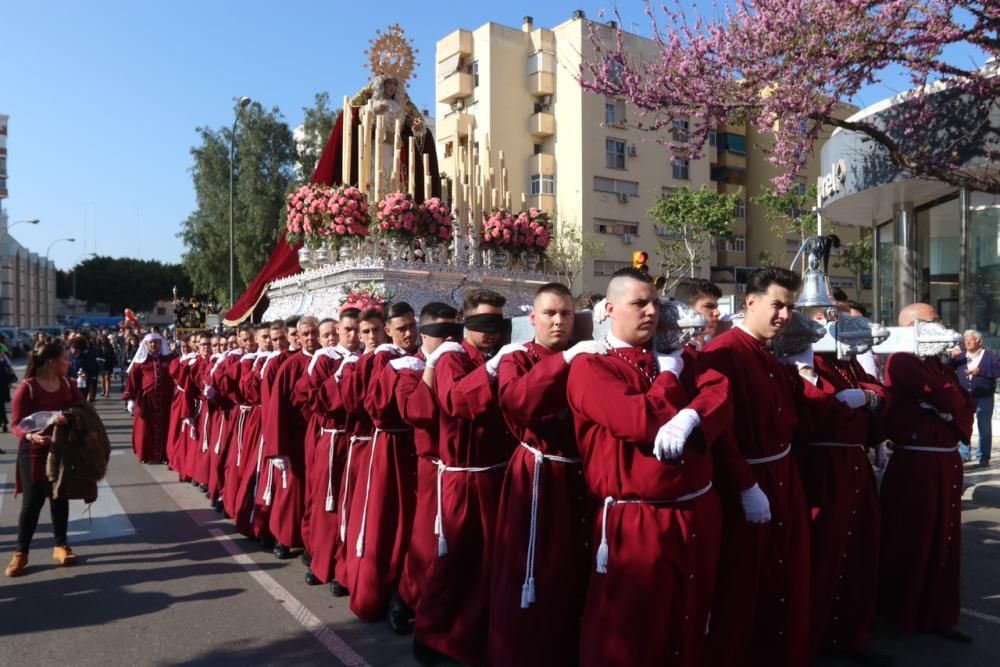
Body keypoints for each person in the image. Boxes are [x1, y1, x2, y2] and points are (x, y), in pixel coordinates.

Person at [567, 270, 729, 667]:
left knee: (689, 614)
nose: (652, 311)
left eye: (655, 302)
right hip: (637, 517)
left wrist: (693, 417)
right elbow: (638, 421)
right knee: (635, 626)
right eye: (639, 303)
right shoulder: (591, 366)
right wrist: (671, 380)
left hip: (694, 509)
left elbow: (720, 394)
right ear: (609, 309)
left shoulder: (677, 354)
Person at [700, 267, 816, 667]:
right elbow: (721, 431)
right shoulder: (723, 352)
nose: (784, 315)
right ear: (750, 302)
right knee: (745, 584)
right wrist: (747, 485)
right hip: (748, 483)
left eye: (790, 307)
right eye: (777, 305)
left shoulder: (766, 352)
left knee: (782, 576)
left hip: (782, 476)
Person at [488, 283, 600, 667]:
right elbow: (518, 402)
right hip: (539, 476)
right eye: (550, 313)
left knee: (576, 569)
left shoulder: (588, 354)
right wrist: (565, 361)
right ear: (532, 318)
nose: (558, 321)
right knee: (535, 567)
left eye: (566, 314)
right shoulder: (516, 357)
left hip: (581, 477)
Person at [413, 289, 520, 666]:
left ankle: (474, 635)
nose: (491, 333)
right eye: (482, 324)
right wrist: (491, 371)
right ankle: (429, 632)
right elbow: (457, 401)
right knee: (454, 559)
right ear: (465, 322)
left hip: (497, 476)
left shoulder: (503, 356)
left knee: (490, 562)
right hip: (463, 476)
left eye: (498, 324)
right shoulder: (451, 358)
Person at [879, 303, 975, 642]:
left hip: (944, 460)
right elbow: (951, 401)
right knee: (914, 539)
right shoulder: (903, 359)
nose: (941, 327)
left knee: (944, 540)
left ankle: (937, 614)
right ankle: (903, 614)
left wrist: (949, 407)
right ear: (912, 327)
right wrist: (948, 407)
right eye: (933, 322)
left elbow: (964, 401)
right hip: (917, 463)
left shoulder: (937, 363)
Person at [393, 302, 461, 632]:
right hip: (432, 466)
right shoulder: (410, 366)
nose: (449, 340)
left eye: (454, 332)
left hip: (463, 469)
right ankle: (408, 597)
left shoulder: (464, 361)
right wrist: (432, 366)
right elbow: (416, 411)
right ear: (424, 335)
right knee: (425, 539)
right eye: (440, 333)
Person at [5, 342, 85, 577]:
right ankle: (21, 552)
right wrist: (30, 435)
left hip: (61, 450)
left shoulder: (68, 384)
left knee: (59, 496)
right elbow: (16, 424)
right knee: (32, 503)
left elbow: (82, 409)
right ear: (51, 362)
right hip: (32, 453)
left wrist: (67, 417)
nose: (68, 363)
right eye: (64, 359)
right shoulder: (27, 388)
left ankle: (61, 545)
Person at [264, 315, 320, 558]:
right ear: (296, 336)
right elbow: (276, 407)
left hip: (320, 437)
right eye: (305, 334)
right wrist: (277, 448)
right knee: (292, 491)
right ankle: (285, 537)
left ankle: (312, 541)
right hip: (296, 439)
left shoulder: (327, 361)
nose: (310, 338)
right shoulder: (290, 365)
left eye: (314, 333)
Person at [123, 333, 176, 464]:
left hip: (165, 400)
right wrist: (131, 399)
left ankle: (164, 454)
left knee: (165, 427)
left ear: (161, 344)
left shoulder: (168, 360)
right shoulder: (140, 362)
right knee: (145, 429)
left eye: (156, 342)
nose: (154, 345)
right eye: (151, 343)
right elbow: (133, 381)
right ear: (146, 345)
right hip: (146, 400)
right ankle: (147, 454)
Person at [949, 329, 1000, 466]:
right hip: (964, 397)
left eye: (970, 340)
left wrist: (981, 371)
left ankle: (983, 457)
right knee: (964, 425)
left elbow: (998, 371)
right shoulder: (960, 357)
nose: (967, 343)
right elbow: (946, 369)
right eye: (965, 341)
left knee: (984, 428)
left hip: (984, 397)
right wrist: (951, 357)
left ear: (979, 341)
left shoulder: (990, 357)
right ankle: (964, 454)